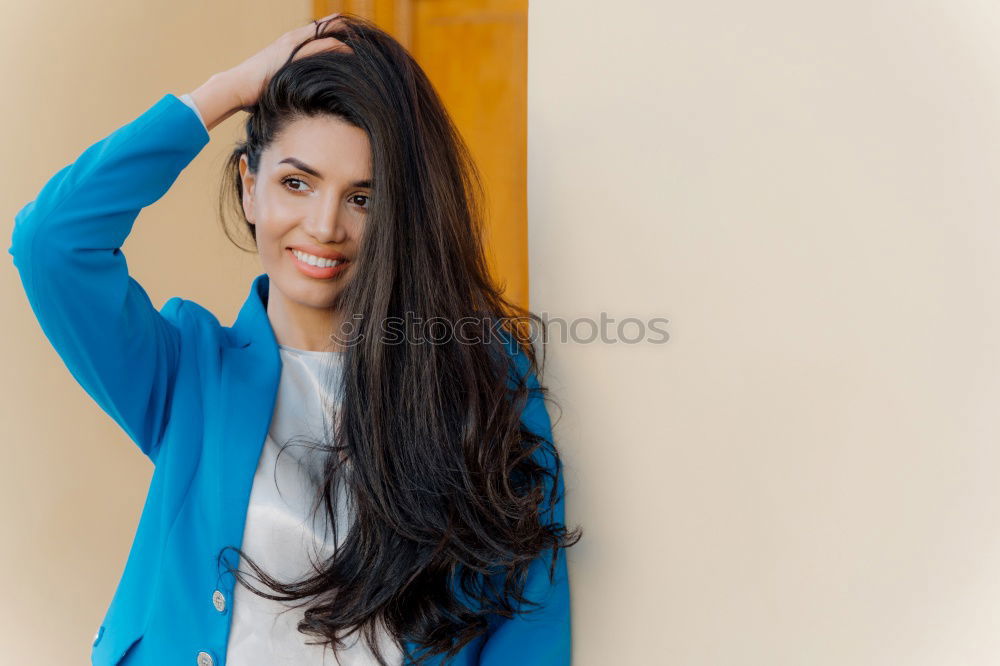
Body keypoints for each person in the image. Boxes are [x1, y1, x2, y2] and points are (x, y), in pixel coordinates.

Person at [8, 12, 581, 666]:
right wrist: (226, 91)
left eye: (364, 199)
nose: (324, 226)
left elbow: (530, 618)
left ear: (401, 215)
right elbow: (50, 242)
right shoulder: (189, 373)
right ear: (251, 188)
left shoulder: (484, 381)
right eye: (296, 183)